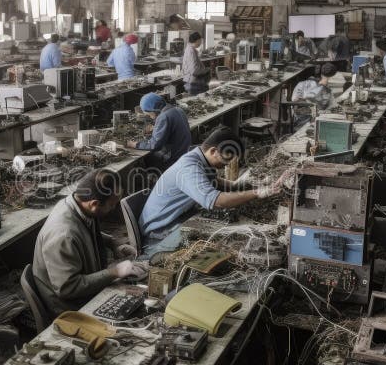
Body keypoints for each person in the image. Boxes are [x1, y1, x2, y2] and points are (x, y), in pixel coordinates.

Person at [32, 169, 146, 316]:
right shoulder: (62, 235)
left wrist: (112, 242)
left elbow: (84, 230)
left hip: (85, 292)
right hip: (71, 308)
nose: (114, 208)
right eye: (112, 205)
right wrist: (114, 272)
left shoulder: (77, 203)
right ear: (94, 204)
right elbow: (68, 288)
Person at [138, 127, 281, 241]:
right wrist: (257, 193)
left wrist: (246, 184)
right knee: (220, 239)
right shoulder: (189, 168)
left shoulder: (199, 158)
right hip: (159, 231)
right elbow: (218, 201)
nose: (228, 164)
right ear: (213, 151)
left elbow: (215, 182)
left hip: (176, 218)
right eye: (228, 159)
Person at [127, 93, 191, 170]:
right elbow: (172, 128)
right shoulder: (178, 109)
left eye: (149, 114)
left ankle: (151, 178)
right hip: (184, 152)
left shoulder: (163, 117)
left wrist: (134, 144)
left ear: (152, 110)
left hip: (172, 159)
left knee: (144, 158)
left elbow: (155, 145)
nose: (150, 117)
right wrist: (156, 128)